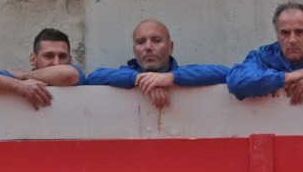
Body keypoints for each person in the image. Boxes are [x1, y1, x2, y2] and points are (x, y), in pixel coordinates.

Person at [85, 19, 229, 110]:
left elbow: (225, 73)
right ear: (134, 50)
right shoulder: (126, 74)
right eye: (141, 42)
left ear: (170, 47)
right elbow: (94, 77)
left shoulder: (183, 73)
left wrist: (171, 78)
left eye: (156, 40)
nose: (148, 47)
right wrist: (142, 80)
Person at [0, 27, 84, 110]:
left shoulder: (78, 77)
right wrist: (18, 86)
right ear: (33, 59)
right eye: (49, 55)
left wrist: (23, 76)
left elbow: (68, 75)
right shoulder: (16, 81)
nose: (56, 63)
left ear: (70, 60)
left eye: (62, 56)